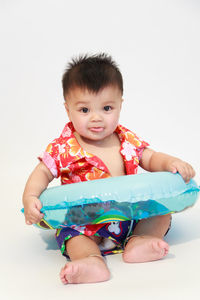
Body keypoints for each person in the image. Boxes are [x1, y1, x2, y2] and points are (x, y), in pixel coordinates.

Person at [22, 53, 195, 285]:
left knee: (160, 213)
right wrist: (30, 196)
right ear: (68, 110)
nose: (96, 118)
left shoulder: (126, 140)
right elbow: (43, 172)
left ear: (120, 105)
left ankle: (140, 241)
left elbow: (150, 157)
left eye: (106, 108)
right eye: (84, 110)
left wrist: (170, 162)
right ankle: (89, 261)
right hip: (83, 222)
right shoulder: (63, 148)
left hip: (129, 217)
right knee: (74, 238)